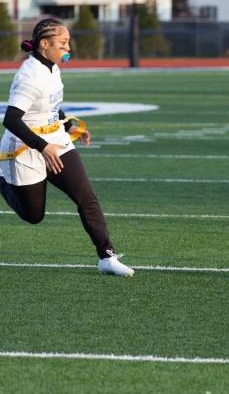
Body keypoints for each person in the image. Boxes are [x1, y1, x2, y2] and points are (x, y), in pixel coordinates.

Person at [0, 18, 133, 276]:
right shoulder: (29, 76)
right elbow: (12, 119)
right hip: (24, 148)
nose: (68, 48)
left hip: (56, 141)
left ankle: (106, 256)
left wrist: (68, 125)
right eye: (63, 43)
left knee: (86, 196)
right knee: (33, 215)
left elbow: (49, 104)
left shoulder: (52, 66)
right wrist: (42, 147)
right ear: (44, 44)